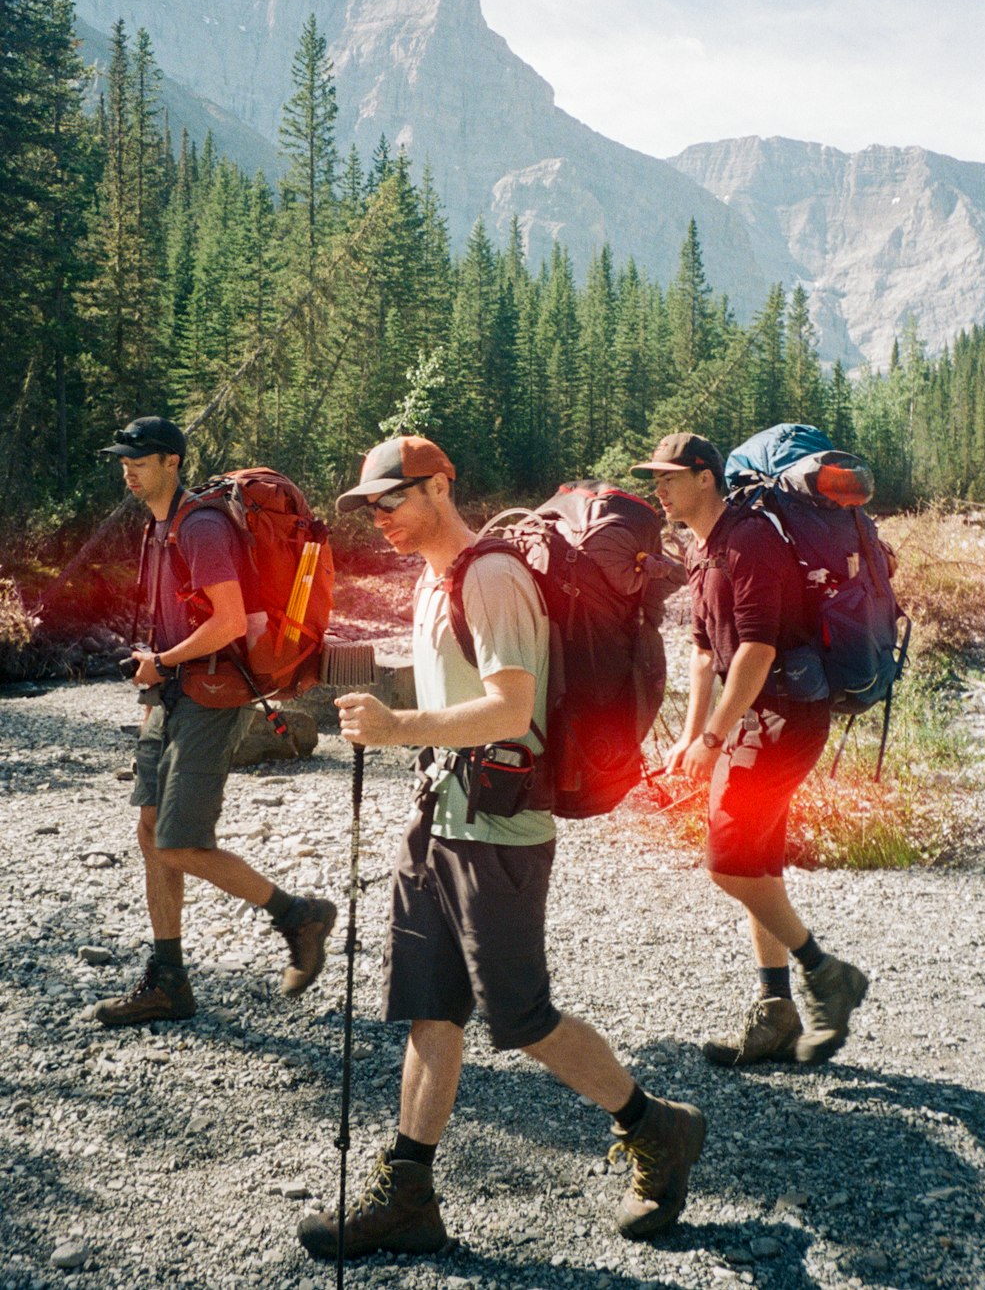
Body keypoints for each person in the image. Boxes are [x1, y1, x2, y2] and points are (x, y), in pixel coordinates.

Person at [297, 435, 705, 1261]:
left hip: (501, 830)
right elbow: (448, 694)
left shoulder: (490, 578)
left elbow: (511, 711)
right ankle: (409, 1193)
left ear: (442, 485)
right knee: (430, 1008)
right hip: (439, 818)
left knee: (521, 1018)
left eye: (393, 500)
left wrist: (396, 726)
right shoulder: (431, 580)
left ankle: (657, 1127)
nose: (381, 520)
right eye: (369, 508)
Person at [632, 432, 868, 1068]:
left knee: (728, 862)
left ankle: (828, 974)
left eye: (669, 477)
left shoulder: (751, 539)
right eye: (655, 478)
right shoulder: (705, 547)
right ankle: (775, 1012)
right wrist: (690, 733)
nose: (660, 488)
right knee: (757, 863)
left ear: (706, 477)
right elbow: (707, 650)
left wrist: (714, 736)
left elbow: (758, 649)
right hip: (755, 717)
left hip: (786, 717)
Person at [92, 416, 336, 1026]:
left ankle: (297, 914)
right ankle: (169, 981)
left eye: (139, 460)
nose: (128, 469)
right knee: (151, 832)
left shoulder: (198, 528)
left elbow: (228, 621)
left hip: (209, 695)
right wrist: (160, 671)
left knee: (181, 843)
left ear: (171, 463)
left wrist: (162, 664)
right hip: (172, 693)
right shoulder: (160, 527)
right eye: (123, 460)